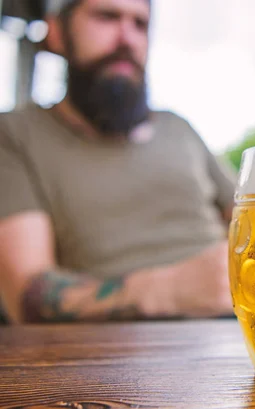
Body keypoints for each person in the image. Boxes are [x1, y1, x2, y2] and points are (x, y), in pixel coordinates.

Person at [0, 0, 236, 323]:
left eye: (140, 24)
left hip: (246, 332)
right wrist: (167, 289)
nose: (128, 39)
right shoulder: (15, 134)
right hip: (113, 356)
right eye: (106, 17)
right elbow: (25, 296)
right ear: (55, 33)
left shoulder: (178, 127)